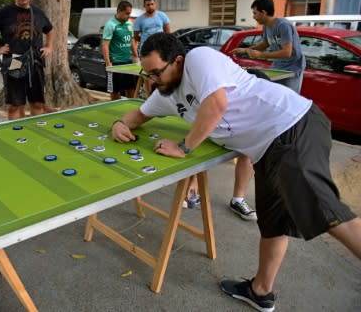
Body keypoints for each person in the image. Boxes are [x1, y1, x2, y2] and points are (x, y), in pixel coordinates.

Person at [112, 32, 361, 311]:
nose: (152, 81)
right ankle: (260, 291)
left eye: (156, 73)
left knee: (328, 214)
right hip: (267, 148)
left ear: (177, 61)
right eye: (147, 75)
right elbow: (139, 114)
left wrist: (184, 146)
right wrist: (120, 124)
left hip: (292, 126)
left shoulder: (199, 58)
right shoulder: (167, 94)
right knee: (273, 222)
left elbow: (216, 104)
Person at [224, 0, 307, 222]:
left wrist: (260, 56)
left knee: (286, 109)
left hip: (291, 70)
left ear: (263, 11)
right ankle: (273, 142)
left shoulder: (284, 25)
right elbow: (264, 45)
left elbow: (287, 52)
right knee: (271, 109)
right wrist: (247, 50)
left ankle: (289, 147)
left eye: (255, 13)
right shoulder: (268, 28)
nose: (253, 17)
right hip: (277, 69)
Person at [0, 0, 54, 120]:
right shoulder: (5, 12)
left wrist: (49, 47)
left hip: (35, 62)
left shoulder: (37, 12)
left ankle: (36, 132)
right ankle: (17, 135)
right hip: (14, 61)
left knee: (38, 103)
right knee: (15, 105)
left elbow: (50, 29)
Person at [133, 0, 170, 97]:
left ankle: (162, 96)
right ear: (144, 6)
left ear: (155, 4)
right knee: (149, 74)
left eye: (152, 4)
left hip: (160, 50)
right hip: (146, 51)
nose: (150, 6)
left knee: (162, 72)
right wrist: (147, 42)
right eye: (148, 5)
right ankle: (150, 97)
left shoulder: (162, 16)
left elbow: (167, 33)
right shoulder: (139, 20)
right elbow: (136, 37)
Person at [102, 1, 138, 100]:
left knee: (131, 89)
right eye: (127, 13)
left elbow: (131, 40)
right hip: (115, 63)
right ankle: (116, 113)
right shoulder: (110, 24)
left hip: (128, 62)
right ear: (119, 11)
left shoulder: (129, 24)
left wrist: (135, 56)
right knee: (114, 91)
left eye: (129, 13)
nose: (129, 15)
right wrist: (108, 63)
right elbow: (105, 45)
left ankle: (130, 111)